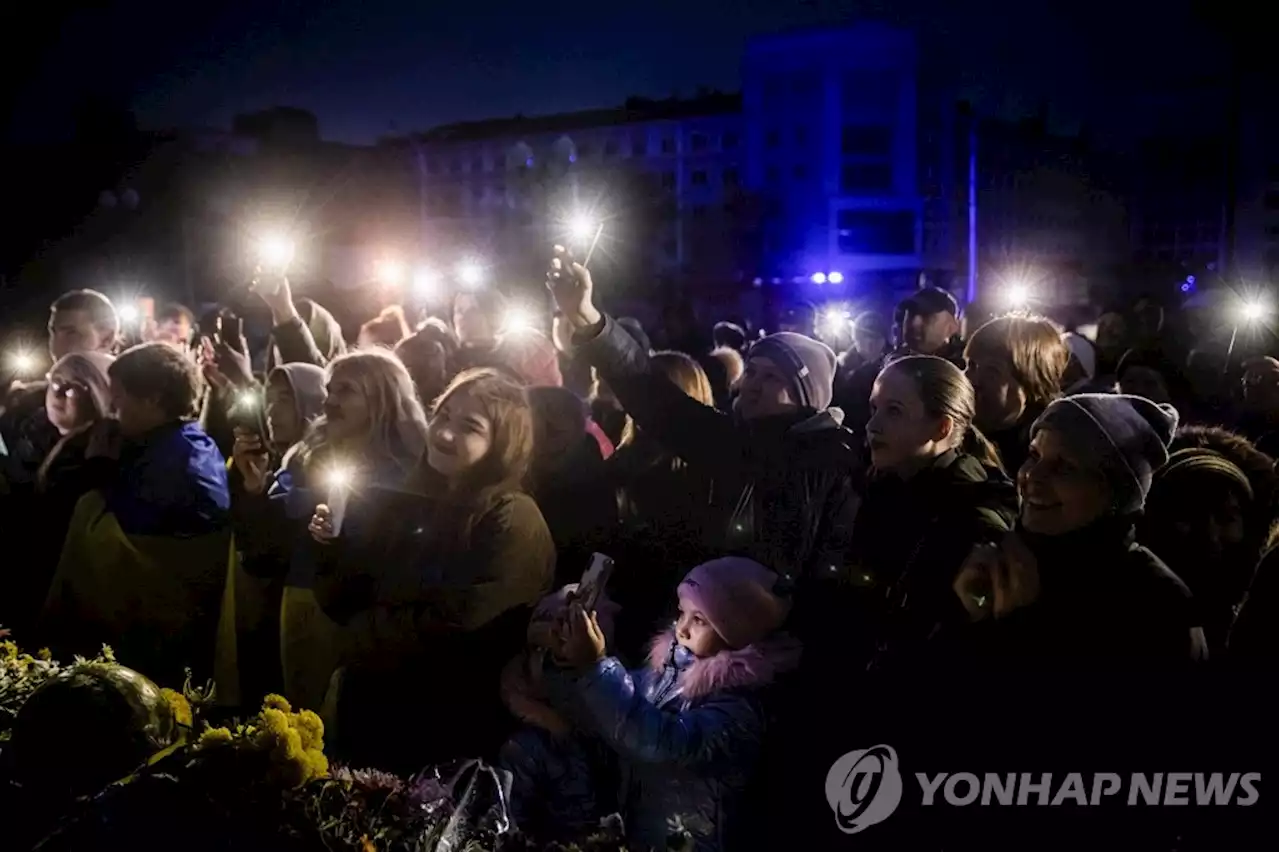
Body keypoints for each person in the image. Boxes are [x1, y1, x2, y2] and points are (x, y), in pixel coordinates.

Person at [310, 369, 554, 772]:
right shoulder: (411, 498)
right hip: (373, 707)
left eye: (469, 427)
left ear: (503, 444)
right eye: (442, 416)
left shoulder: (511, 519)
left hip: (442, 727)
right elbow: (346, 596)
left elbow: (464, 627)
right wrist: (331, 548)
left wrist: (362, 632)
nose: (443, 433)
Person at [546, 557, 801, 852]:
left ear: (737, 633)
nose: (682, 628)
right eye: (682, 612)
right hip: (641, 833)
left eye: (700, 620)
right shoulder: (666, 673)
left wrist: (594, 667)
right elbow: (601, 711)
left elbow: (658, 741)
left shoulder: (738, 711)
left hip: (689, 843)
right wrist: (568, 663)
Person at [235, 349, 427, 714]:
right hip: (299, 597)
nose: (331, 400)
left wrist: (313, 508)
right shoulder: (307, 454)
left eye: (347, 391)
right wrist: (257, 490)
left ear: (382, 399)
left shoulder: (410, 469)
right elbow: (270, 538)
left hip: (358, 615)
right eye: (330, 389)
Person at [952, 393, 1207, 666]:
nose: (1033, 477)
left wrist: (1019, 624)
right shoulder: (1003, 559)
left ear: (1114, 492)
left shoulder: (1154, 604)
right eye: (1034, 455)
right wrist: (969, 609)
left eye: (1065, 467)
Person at [39, 342, 232, 684]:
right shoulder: (178, 443)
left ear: (154, 399)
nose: (113, 407)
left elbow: (140, 548)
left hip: (152, 638)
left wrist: (97, 480)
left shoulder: (177, 461)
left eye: (120, 397)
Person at [856, 355, 1017, 669]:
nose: (872, 425)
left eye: (894, 411)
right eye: (875, 408)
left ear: (942, 427)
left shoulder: (970, 515)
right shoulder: (882, 487)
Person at [0, 352, 114, 637]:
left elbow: (49, 517)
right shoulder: (33, 435)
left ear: (100, 395)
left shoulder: (100, 453)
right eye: (55, 382)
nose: (58, 393)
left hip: (53, 583)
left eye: (73, 387)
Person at [1, 290, 119, 490]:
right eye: (53, 332)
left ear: (106, 338)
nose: (55, 345)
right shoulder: (26, 404)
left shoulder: (133, 408)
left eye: (71, 333)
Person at [964, 314, 1069, 474]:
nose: (972, 380)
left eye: (992, 370)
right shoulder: (953, 437)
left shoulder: (1050, 460)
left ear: (1032, 382)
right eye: (971, 365)